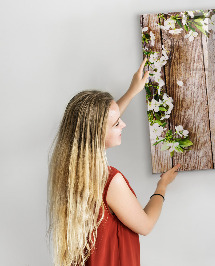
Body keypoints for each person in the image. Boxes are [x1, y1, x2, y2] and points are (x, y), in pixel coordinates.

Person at [48, 58, 181, 266]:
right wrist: (162, 186)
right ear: (98, 133)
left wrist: (132, 91)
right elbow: (145, 225)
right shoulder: (110, 181)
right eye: (117, 123)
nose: (124, 124)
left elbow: (101, 122)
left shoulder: (69, 169)